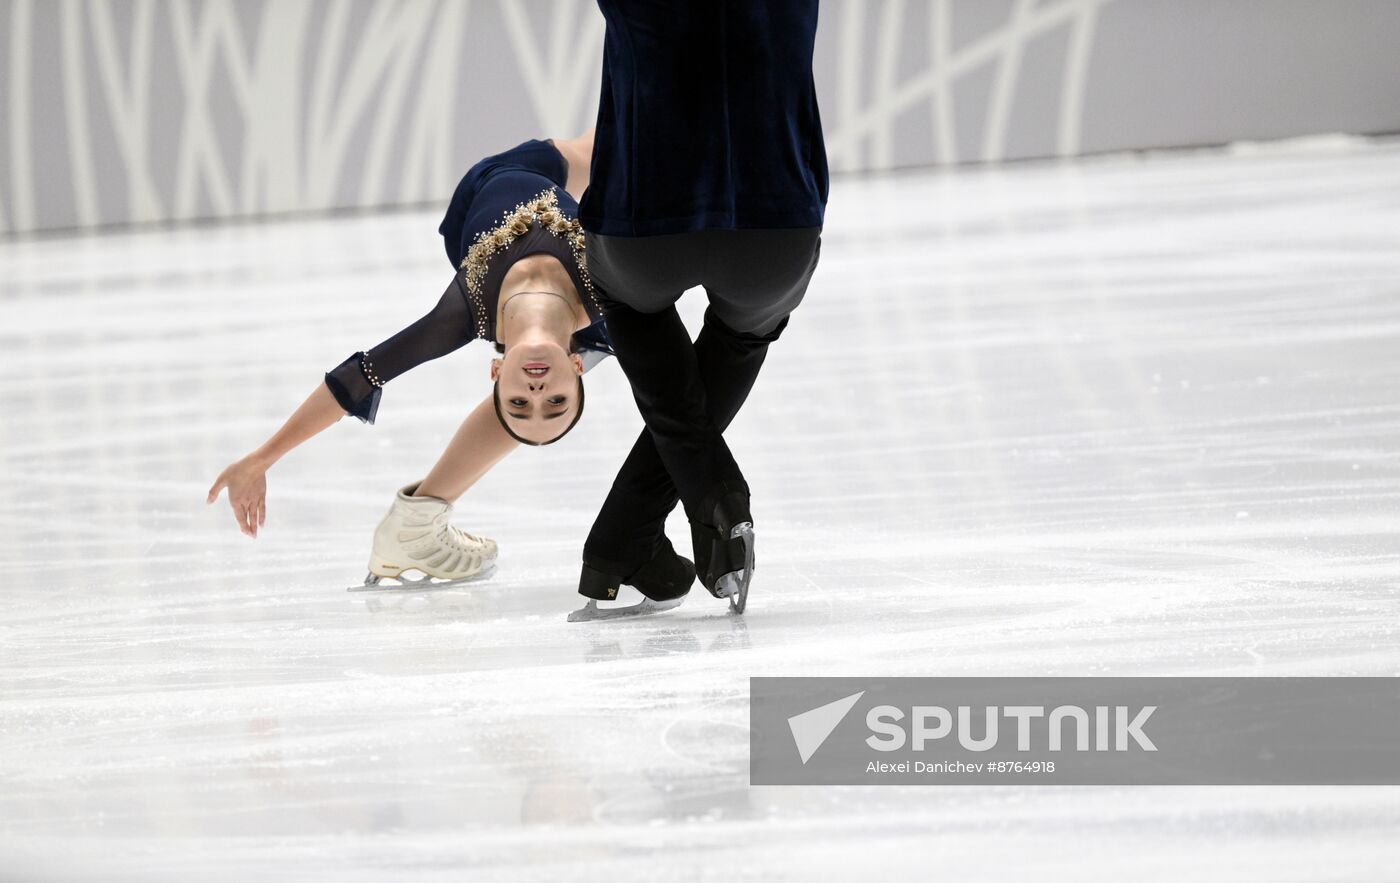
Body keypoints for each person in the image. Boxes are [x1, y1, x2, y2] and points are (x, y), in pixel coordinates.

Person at [207, 130, 699, 598]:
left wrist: (260, 459)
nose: (536, 389)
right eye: (554, 401)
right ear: (573, 366)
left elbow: (355, 380)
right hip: (546, 196)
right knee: (609, 146)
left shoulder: (464, 312)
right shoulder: (606, 288)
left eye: (521, 400)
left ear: (495, 373)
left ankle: (419, 517)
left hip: (480, 194)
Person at [570, 0, 828, 620]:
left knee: (627, 303)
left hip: (642, 231)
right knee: (741, 335)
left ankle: (703, 499)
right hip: (775, 230)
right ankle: (626, 537)